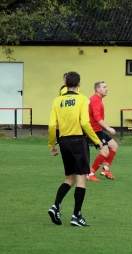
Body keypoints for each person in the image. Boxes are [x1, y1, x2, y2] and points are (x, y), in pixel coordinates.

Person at [47, 71, 102, 227]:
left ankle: (55, 205)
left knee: (69, 178)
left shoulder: (57, 101)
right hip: (78, 141)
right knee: (81, 178)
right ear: (79, 84)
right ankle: (76, 216)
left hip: (63, 142)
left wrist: (52, 144)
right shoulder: (83, 99)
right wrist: (97, 142)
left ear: (65, 84)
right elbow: (85, 123)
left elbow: (52, 126)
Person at [86, 80, 119, 181]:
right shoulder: (95, 100)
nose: (106, 89)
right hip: (94, 131)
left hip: (98, 129)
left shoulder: (97, 99)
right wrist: (108, 128)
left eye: (106, 87)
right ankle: (90, 173)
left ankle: (105, 169)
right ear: (98, 89)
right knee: (104, 152)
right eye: (104, 87)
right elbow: (96, 117)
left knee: (114, 146)